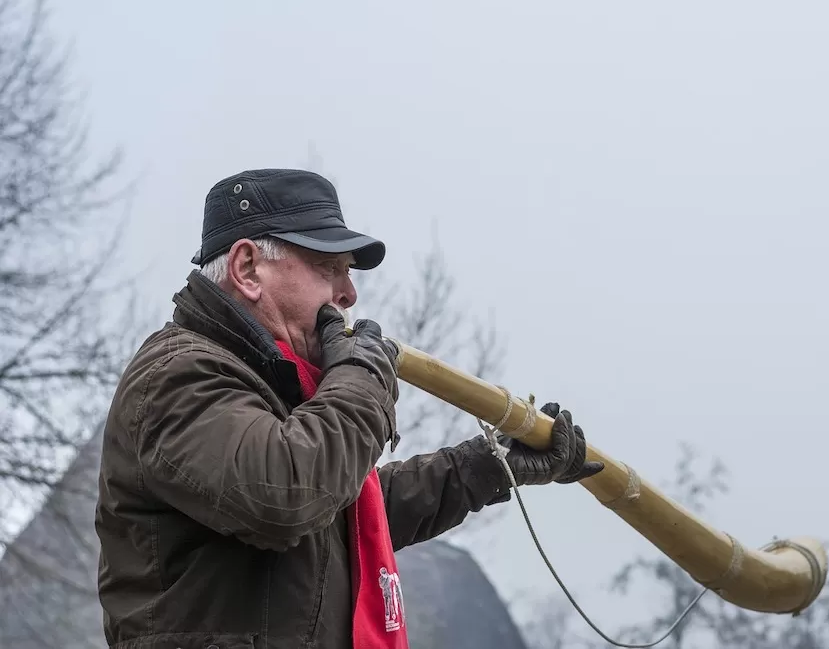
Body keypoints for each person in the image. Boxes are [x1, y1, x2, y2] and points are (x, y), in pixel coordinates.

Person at [94, 168, 604, 649]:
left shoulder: (276, 384)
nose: (349, 293)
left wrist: (488, 467)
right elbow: (287, 491)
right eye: (327, 267)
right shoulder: (177, 374)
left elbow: (346, 511)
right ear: (248, 268)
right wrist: (363, 377)